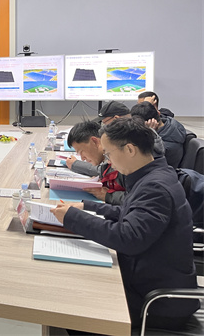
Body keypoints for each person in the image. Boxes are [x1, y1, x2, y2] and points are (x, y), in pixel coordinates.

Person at [51, 117, 199, 330]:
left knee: (73, 304)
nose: (108, 161)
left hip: (156, 301)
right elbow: (128, 213)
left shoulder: (155, 187)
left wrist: (72, 218)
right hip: (146, 280)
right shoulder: (153, 174)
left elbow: (128, 238)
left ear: (130, 149)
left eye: (109, 154)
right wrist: (87, 207)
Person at [65, 121, 126, 204]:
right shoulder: (107, 164)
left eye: (82, 151)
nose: (82, 158)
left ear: (95, 141)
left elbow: (138, 199)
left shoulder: (123, 164)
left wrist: (108, 196)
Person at [131, 101, 186, 168]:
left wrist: (149, 133)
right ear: (158, 113)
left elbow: (142, 162)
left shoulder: (166, 146)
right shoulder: (170, 124)